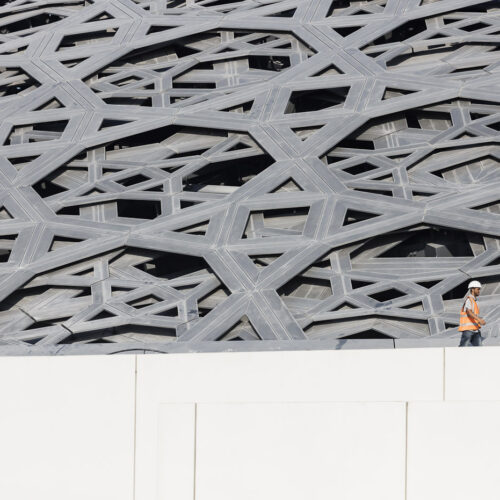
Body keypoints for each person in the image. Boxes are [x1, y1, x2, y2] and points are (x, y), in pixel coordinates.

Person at [458, 280, 486, 347]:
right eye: (478, 289)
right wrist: (479, 320)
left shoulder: (473, 301)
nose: (479, 291)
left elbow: (473, 315)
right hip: (468, 330)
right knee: (463, 348)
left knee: (479, 348)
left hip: (475, 330)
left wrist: (478, 321)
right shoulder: (469, 300)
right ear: (472, 289)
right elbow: (469, 312)